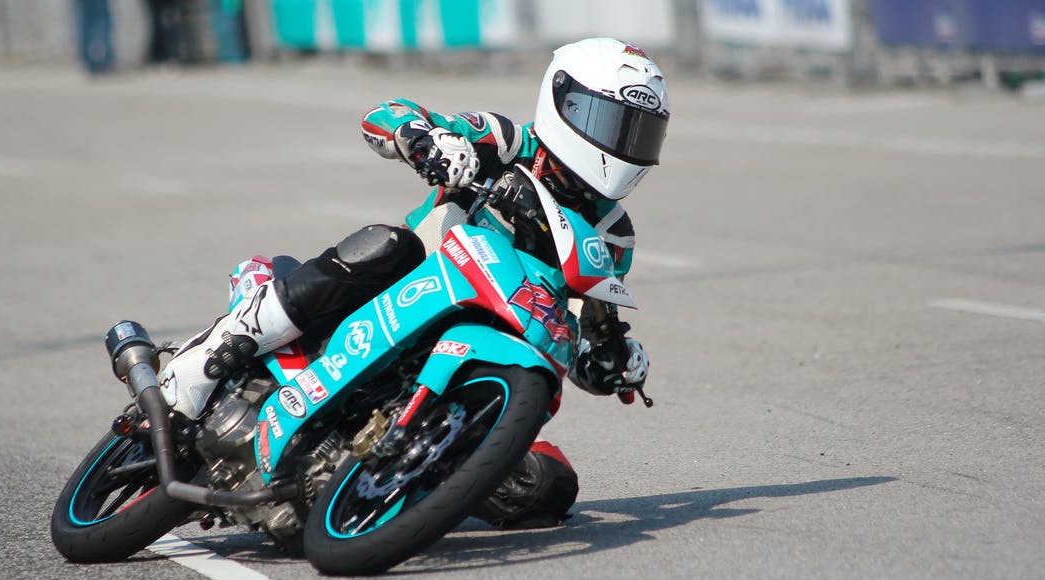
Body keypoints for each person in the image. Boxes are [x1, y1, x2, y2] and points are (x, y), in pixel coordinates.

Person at [159, 37, 669, 529]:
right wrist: (426, 141)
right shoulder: (506, 141)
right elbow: (385, 114)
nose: (624, 146)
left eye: (639, 133)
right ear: (566, 104)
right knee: (388, 245)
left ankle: (394, 488)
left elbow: (579, 329)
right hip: (403, 292)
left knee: (549, 487)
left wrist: (608, 360)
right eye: (612, 124)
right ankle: (218, 349)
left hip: (480, 361)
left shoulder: (614, 236)